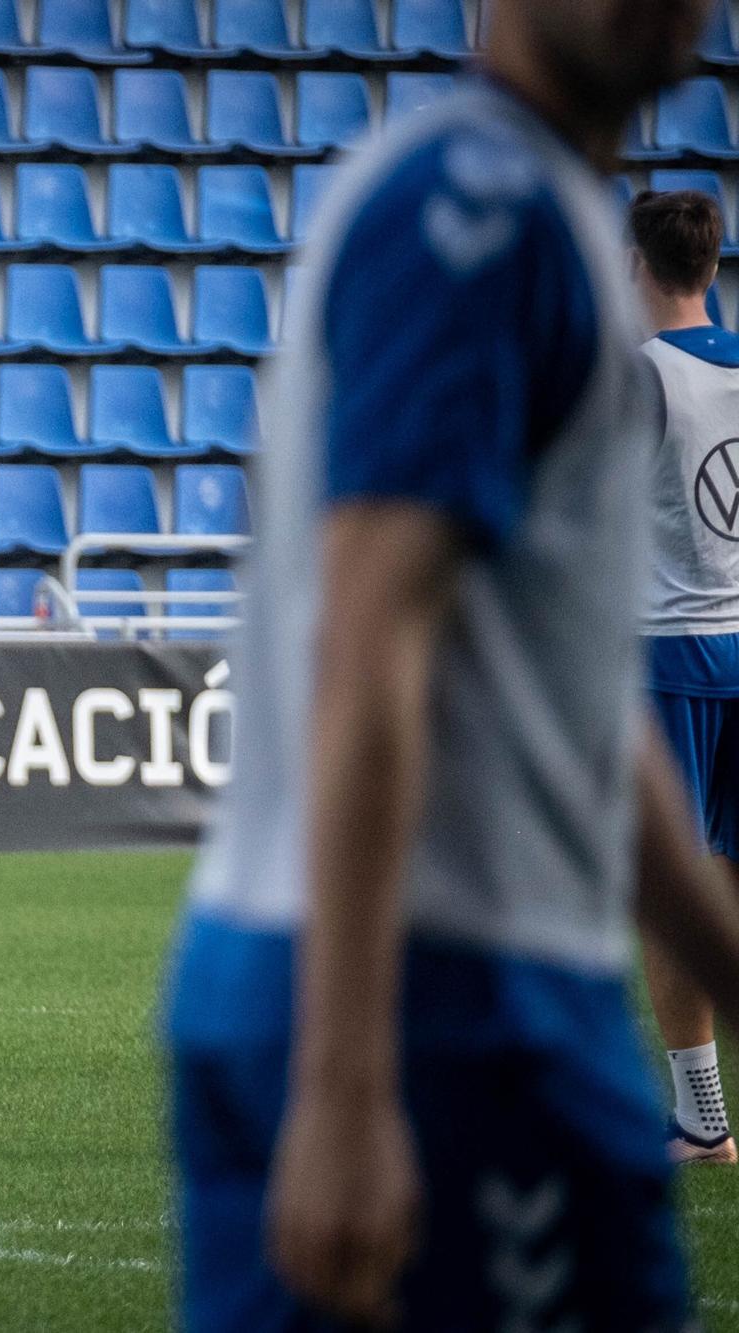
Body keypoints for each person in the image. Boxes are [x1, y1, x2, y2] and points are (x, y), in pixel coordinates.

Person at [163, 1, 739, 1328]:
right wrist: (351, 1087)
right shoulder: (477, 215)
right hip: (437, 1004)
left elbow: (574, 708)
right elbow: (374, 642)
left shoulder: (533, 215)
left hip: (510, 989)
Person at [633, 187, 739, 1167]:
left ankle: (702, 1121)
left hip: (668, 651)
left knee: (668, 895)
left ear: (638, 267)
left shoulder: (638, 377)